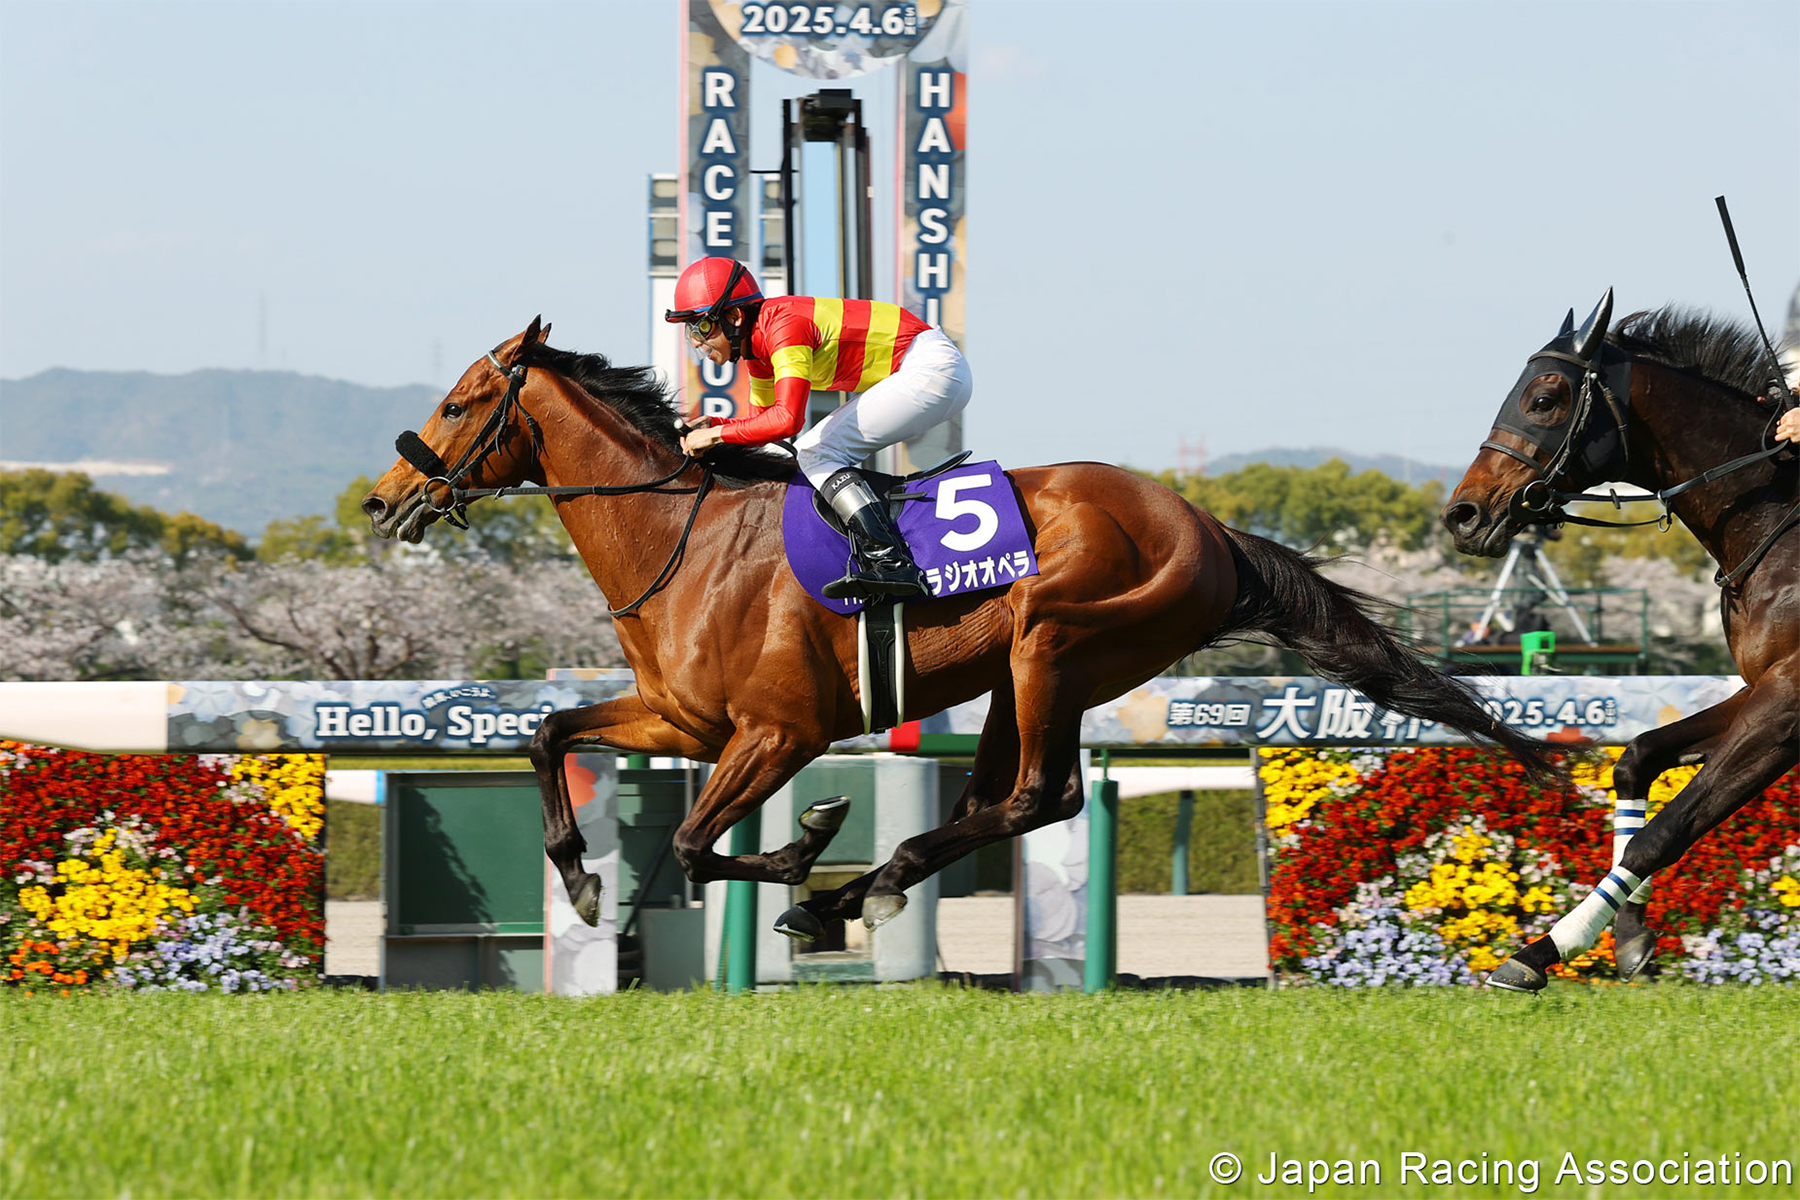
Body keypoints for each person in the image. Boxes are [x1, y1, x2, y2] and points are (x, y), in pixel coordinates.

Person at [665, 256, 972, 603]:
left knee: (816, 449)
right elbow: (763, 426)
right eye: (689, 329)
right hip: (928, 368)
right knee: (815, 449)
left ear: (735, 316)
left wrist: (717, 435)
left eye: (701, 327)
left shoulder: (783, 325)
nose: (695, 341)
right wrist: (715, 424)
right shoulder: (758, 351)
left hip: (933, 367)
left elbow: (787, 421)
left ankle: (890, 561)